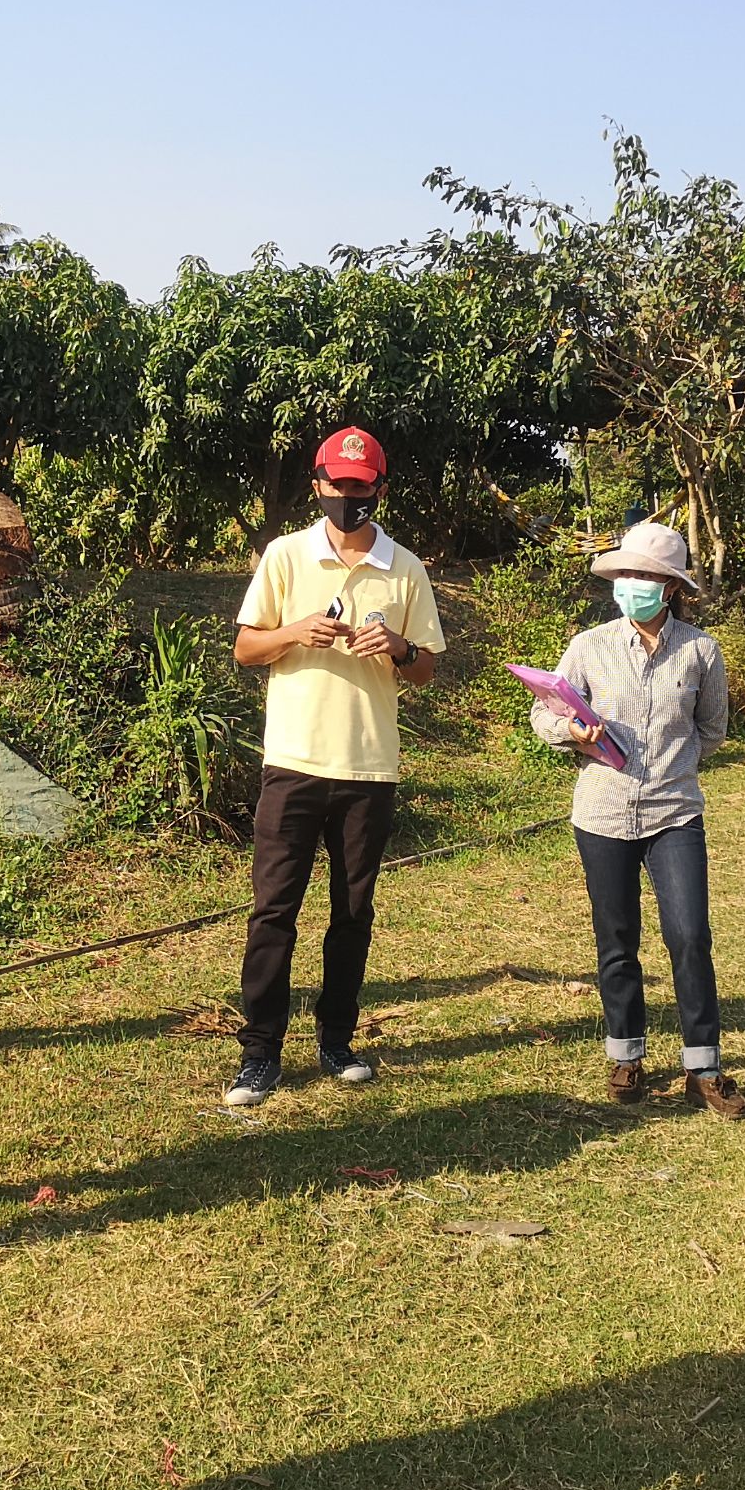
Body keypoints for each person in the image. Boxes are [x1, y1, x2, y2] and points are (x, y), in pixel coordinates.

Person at [226, 426, 445, 1108]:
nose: (349, 497)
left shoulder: (403, 567)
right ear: (318, 483)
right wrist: (293, 632)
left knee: (353, 911)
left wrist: (401, 648)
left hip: (367, 766)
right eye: (338, 485)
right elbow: (244, 647)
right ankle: (260, 1052)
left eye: (362, 486)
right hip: (292, 760)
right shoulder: (287, 557)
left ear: (379, 487)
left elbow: (429, 671)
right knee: (273, 911)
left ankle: (337, 1039)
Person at [529, 520, 745, 1116]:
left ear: (672, 587)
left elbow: (713, 730)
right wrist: (571, 732)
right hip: (601, 811)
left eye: (649, 576)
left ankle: (703, 1066)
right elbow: (545, 714)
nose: (635, 584)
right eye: (628, 573)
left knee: (689, 936)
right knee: (617, 939)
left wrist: (671, 768)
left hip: (675, 812)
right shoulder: (588, 647)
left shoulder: (700, 651)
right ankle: (625, 1056)